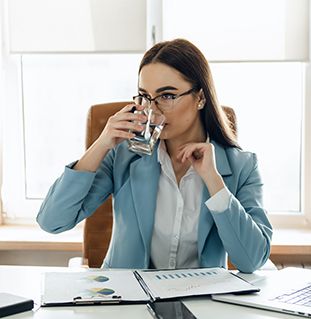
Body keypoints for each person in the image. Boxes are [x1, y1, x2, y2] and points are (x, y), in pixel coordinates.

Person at [36, 39, 272, 273]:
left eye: (167, 96)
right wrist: (101, 144)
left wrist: (214, 181)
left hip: (200, 301)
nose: (152, 109)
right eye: (145, 96)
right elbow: (52, 221)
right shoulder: (124, 155)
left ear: (200, 97)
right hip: (129, 300)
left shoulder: (243, 166)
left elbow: (252, 261)